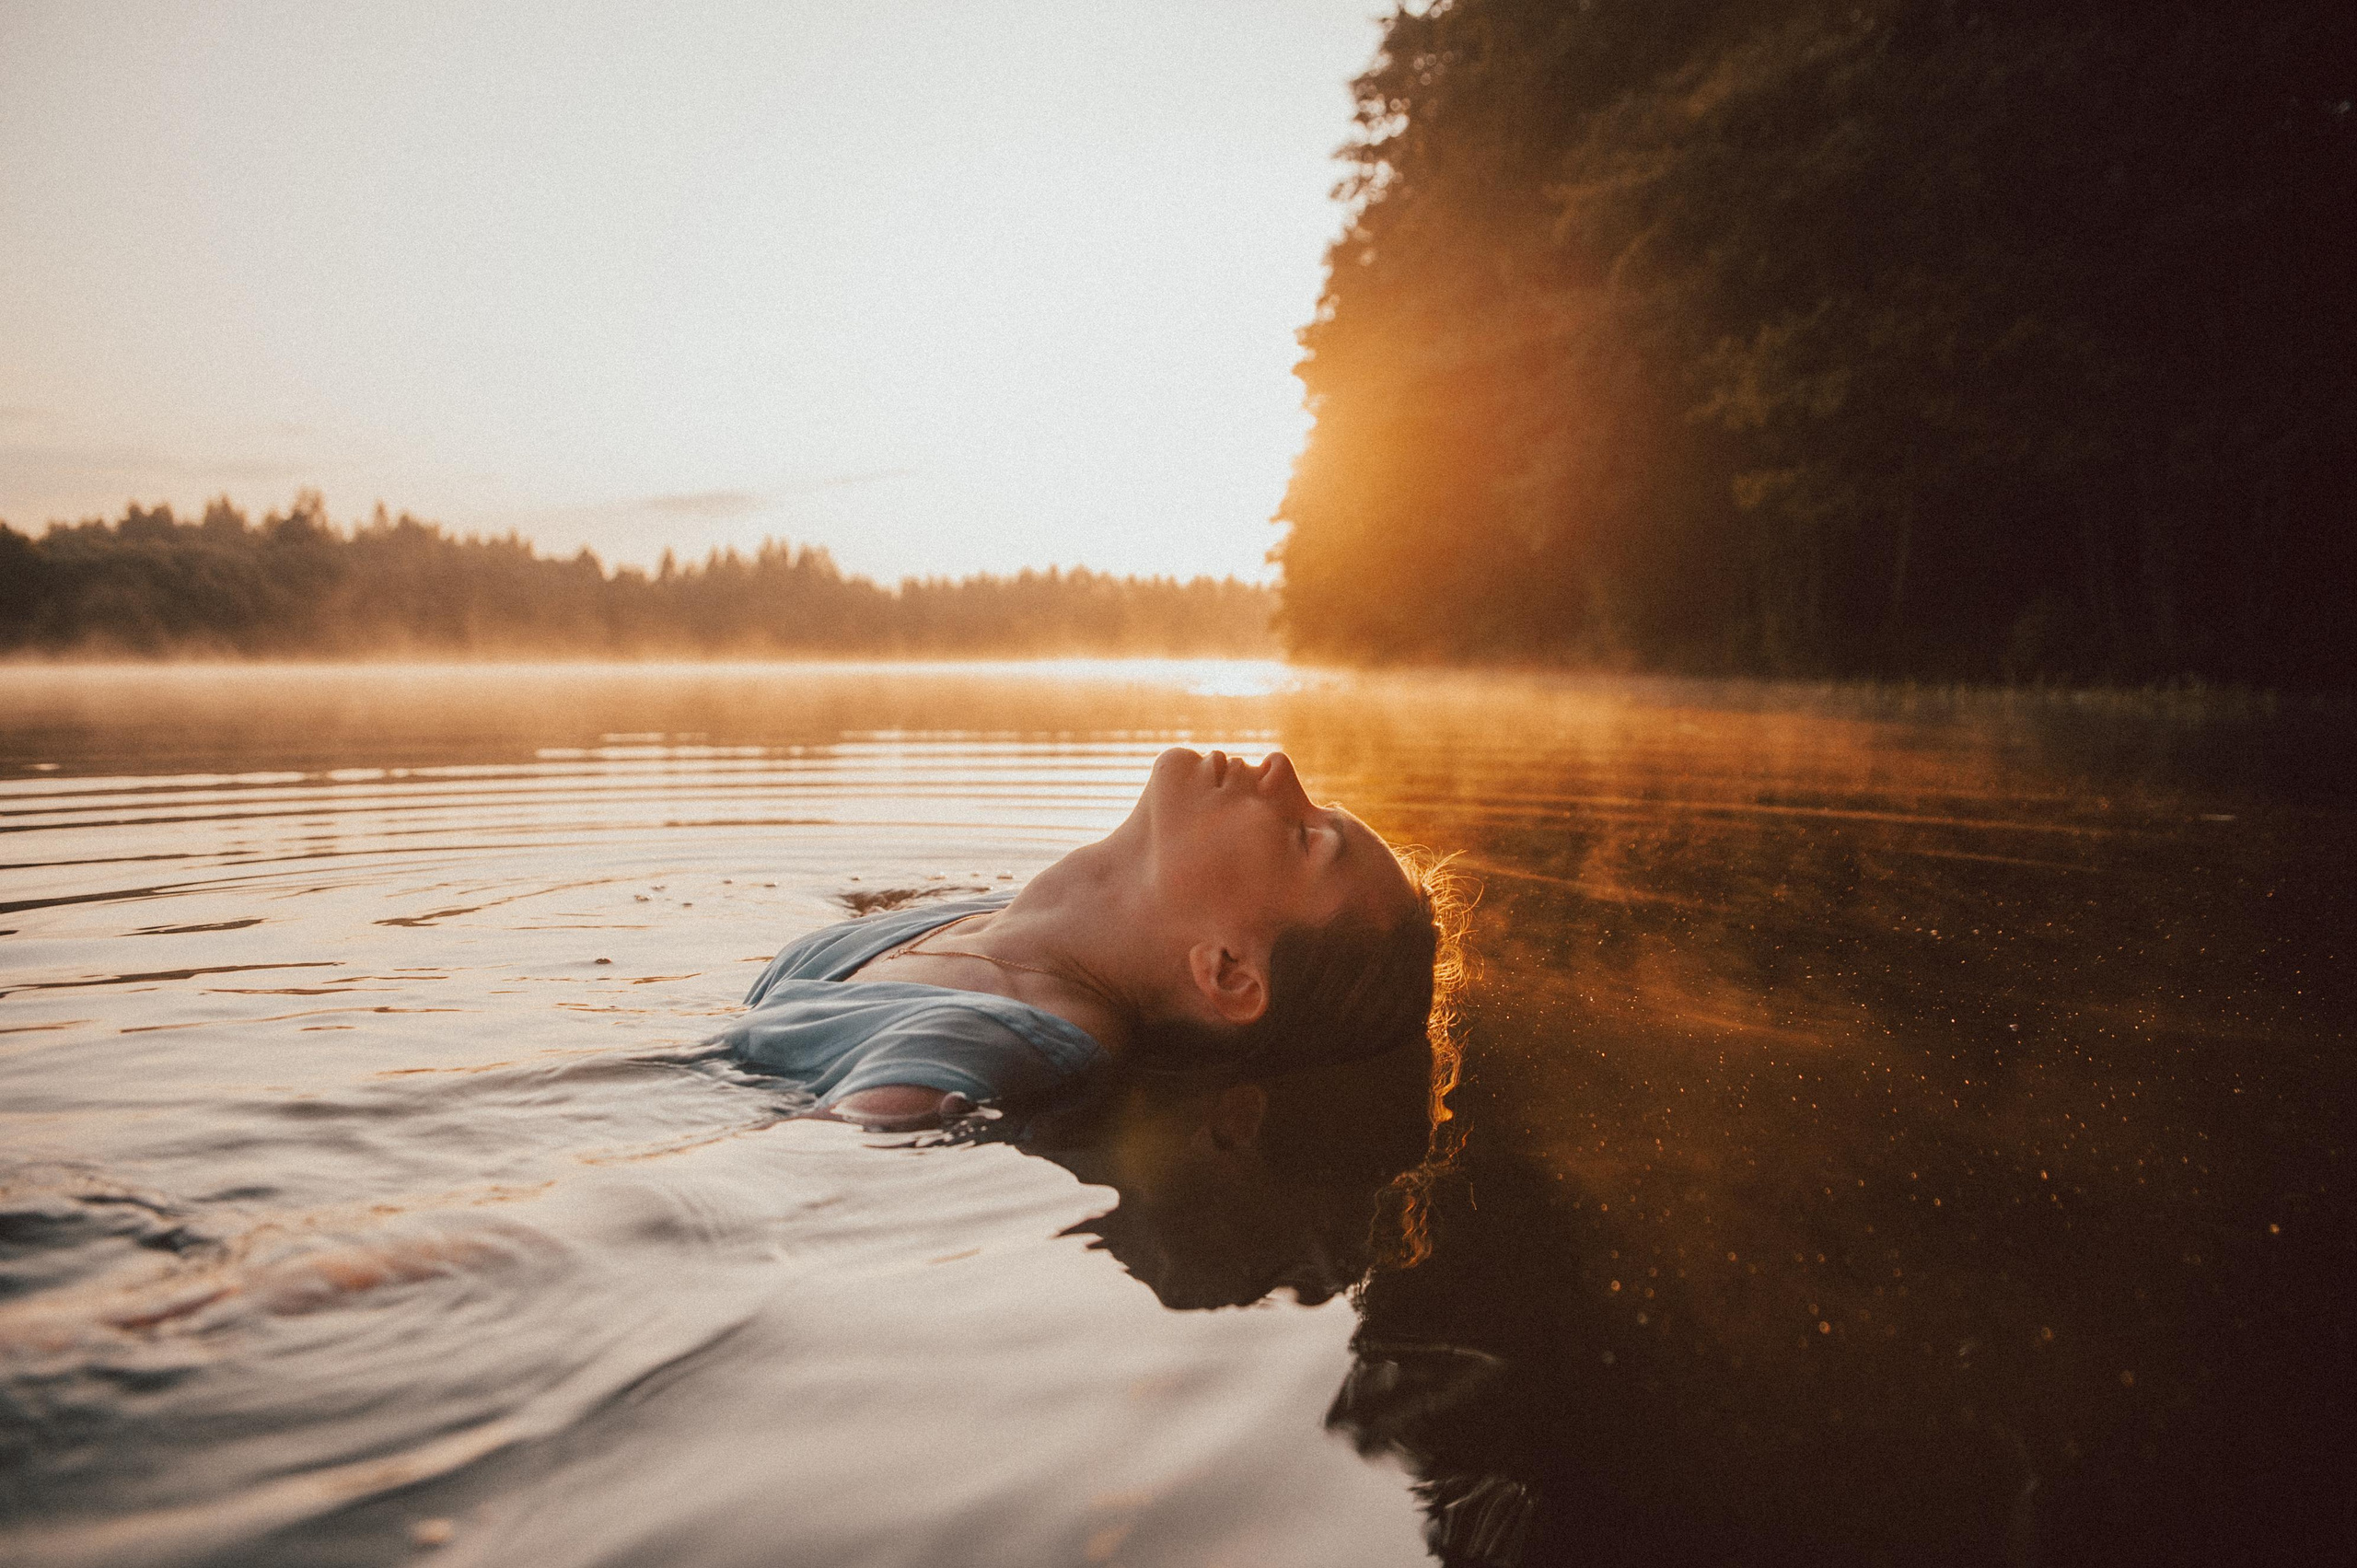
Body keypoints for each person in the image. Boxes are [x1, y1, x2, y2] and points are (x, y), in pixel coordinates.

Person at [711, 747, 1457, 1129]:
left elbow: (807, 1157)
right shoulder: (998, 918)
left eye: (1303, 837)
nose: (1282, 767)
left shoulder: (1009, 1043)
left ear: (1228, 973)